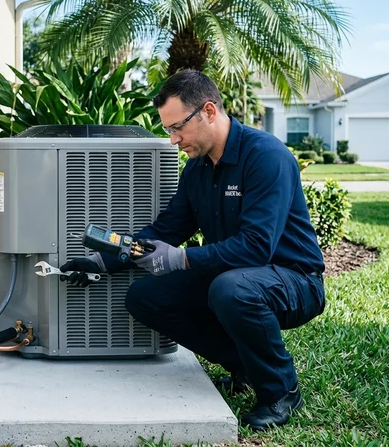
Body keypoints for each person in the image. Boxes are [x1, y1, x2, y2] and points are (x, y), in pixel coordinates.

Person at [60, 69, 326, 431]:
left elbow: (256, 248)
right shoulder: (198, 169)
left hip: (294, 280)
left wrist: (181, 258)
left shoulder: (266, 157)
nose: (173, 140)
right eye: (168, 130)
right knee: (145, 297)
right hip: (232, 278)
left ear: (209, 111)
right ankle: (245, 364)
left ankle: (281, 389)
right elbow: (168, 229)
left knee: (231, 289)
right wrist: (104, 260)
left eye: (177, 127)